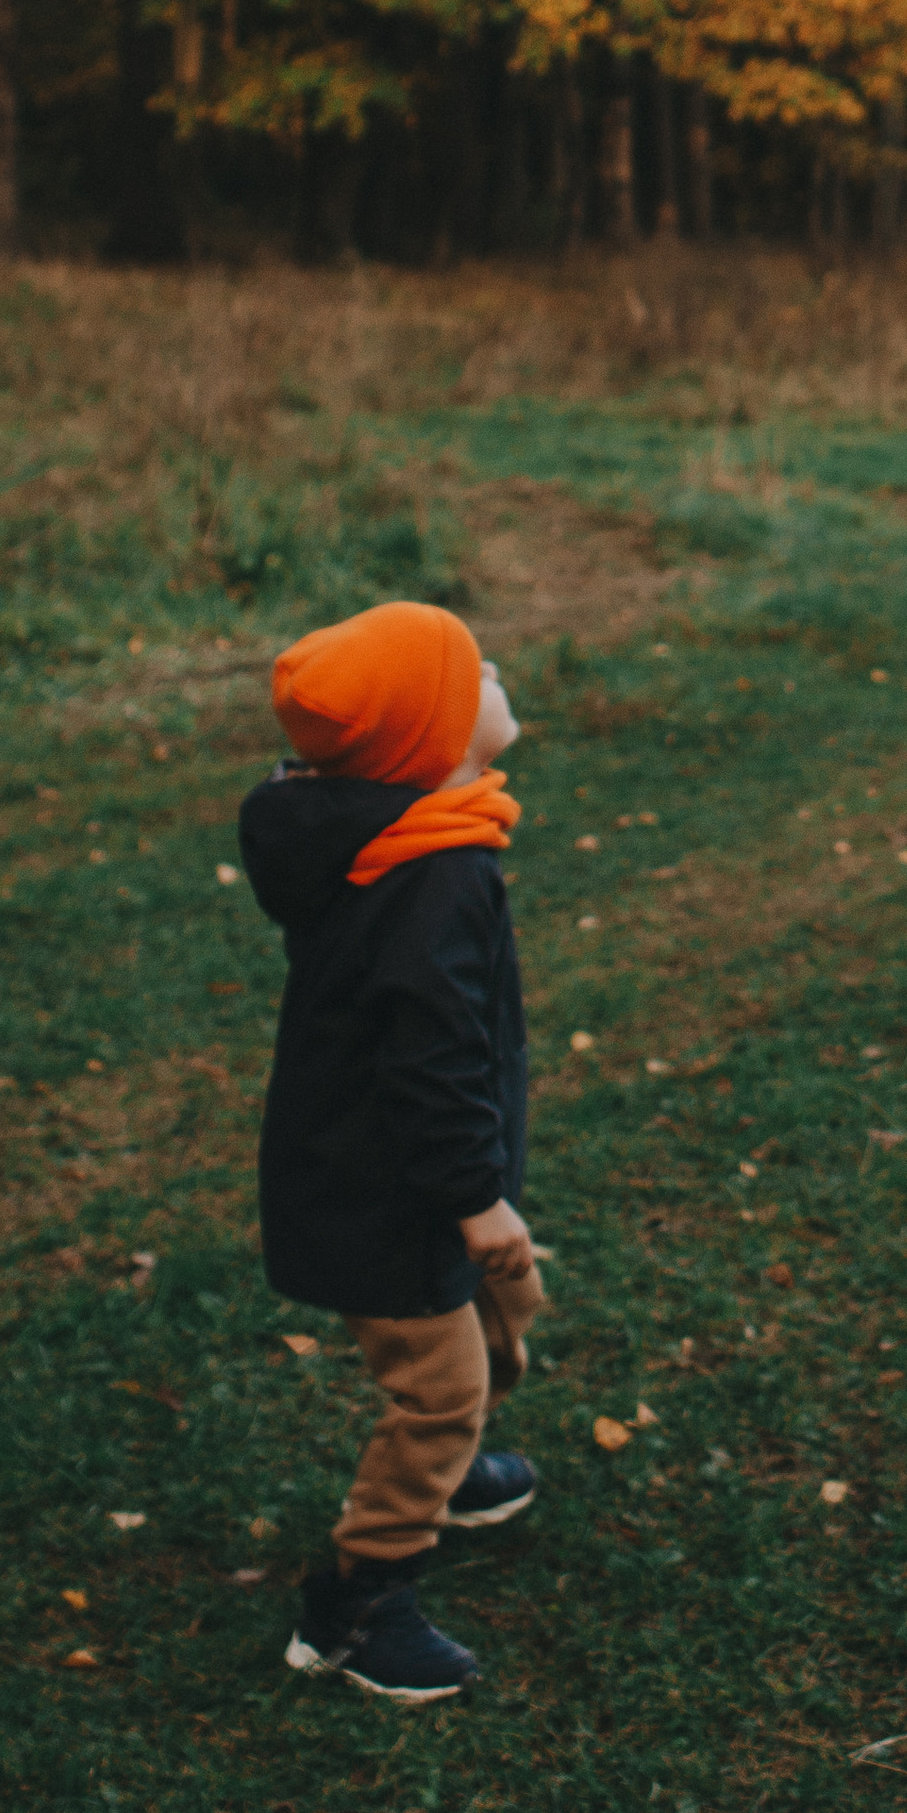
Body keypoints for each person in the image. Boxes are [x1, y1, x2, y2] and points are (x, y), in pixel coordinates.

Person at [239, 598, 541, 1704]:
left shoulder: (402, 834)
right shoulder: (428, 877)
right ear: (434, 740)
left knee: (508, 1313)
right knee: (440, 1388)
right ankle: (358, 1605)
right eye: (478, 675)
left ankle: (452, 1477)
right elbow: (429, 1062)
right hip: (390, 1190)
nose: (499, 674)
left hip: (416, 1170)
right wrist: (475, 1198)